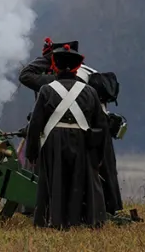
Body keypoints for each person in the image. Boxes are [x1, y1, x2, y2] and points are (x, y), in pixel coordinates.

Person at [24, 44, 109, 229]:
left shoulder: (46, 90)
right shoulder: (90, 92)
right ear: (77, 67)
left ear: (56, 66)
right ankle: (81, 219)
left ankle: (53, 220)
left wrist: (31, 152)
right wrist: (99, 155)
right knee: (80, 180)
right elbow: (101, 126)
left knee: (54, 181)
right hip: (81, 140)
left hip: (53, 140)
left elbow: (36, 124)